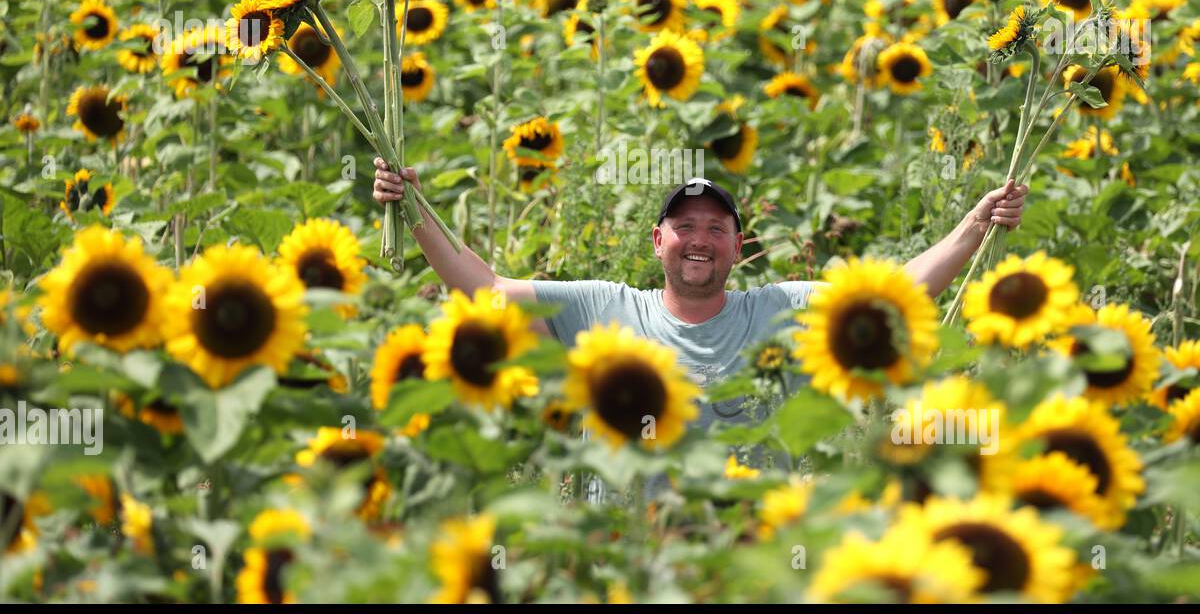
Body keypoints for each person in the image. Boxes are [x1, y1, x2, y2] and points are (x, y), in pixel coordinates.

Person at [372, 160, 1027, 440]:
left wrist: (976, 225)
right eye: (685, 227)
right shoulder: (603, 309)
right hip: (630, 554)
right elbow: (484, 289)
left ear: (738, 248)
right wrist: (415, 208)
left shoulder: (781, 310)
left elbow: (895, 292)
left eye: (717, 229)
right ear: (658, 240)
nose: (700, 240)